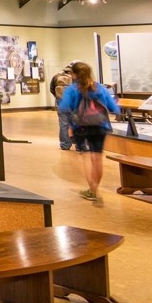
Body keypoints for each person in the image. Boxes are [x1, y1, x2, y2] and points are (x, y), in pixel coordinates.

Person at [57, 61, 120, 202]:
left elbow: (64, 107)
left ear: (74, 74)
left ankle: (91, 189)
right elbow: (113, 107)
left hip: (81, 126)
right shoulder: (100, 88)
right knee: (97, 158)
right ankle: (95, 188)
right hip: (100, 125)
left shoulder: (72, 90)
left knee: (86, 157)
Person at [49, 63, 76, 151]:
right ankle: (80, 144)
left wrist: (58, 97)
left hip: (61, 101)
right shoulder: (76, 76)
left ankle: (64, 144)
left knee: (63, 124)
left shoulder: (57, 76)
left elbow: (52, 89)